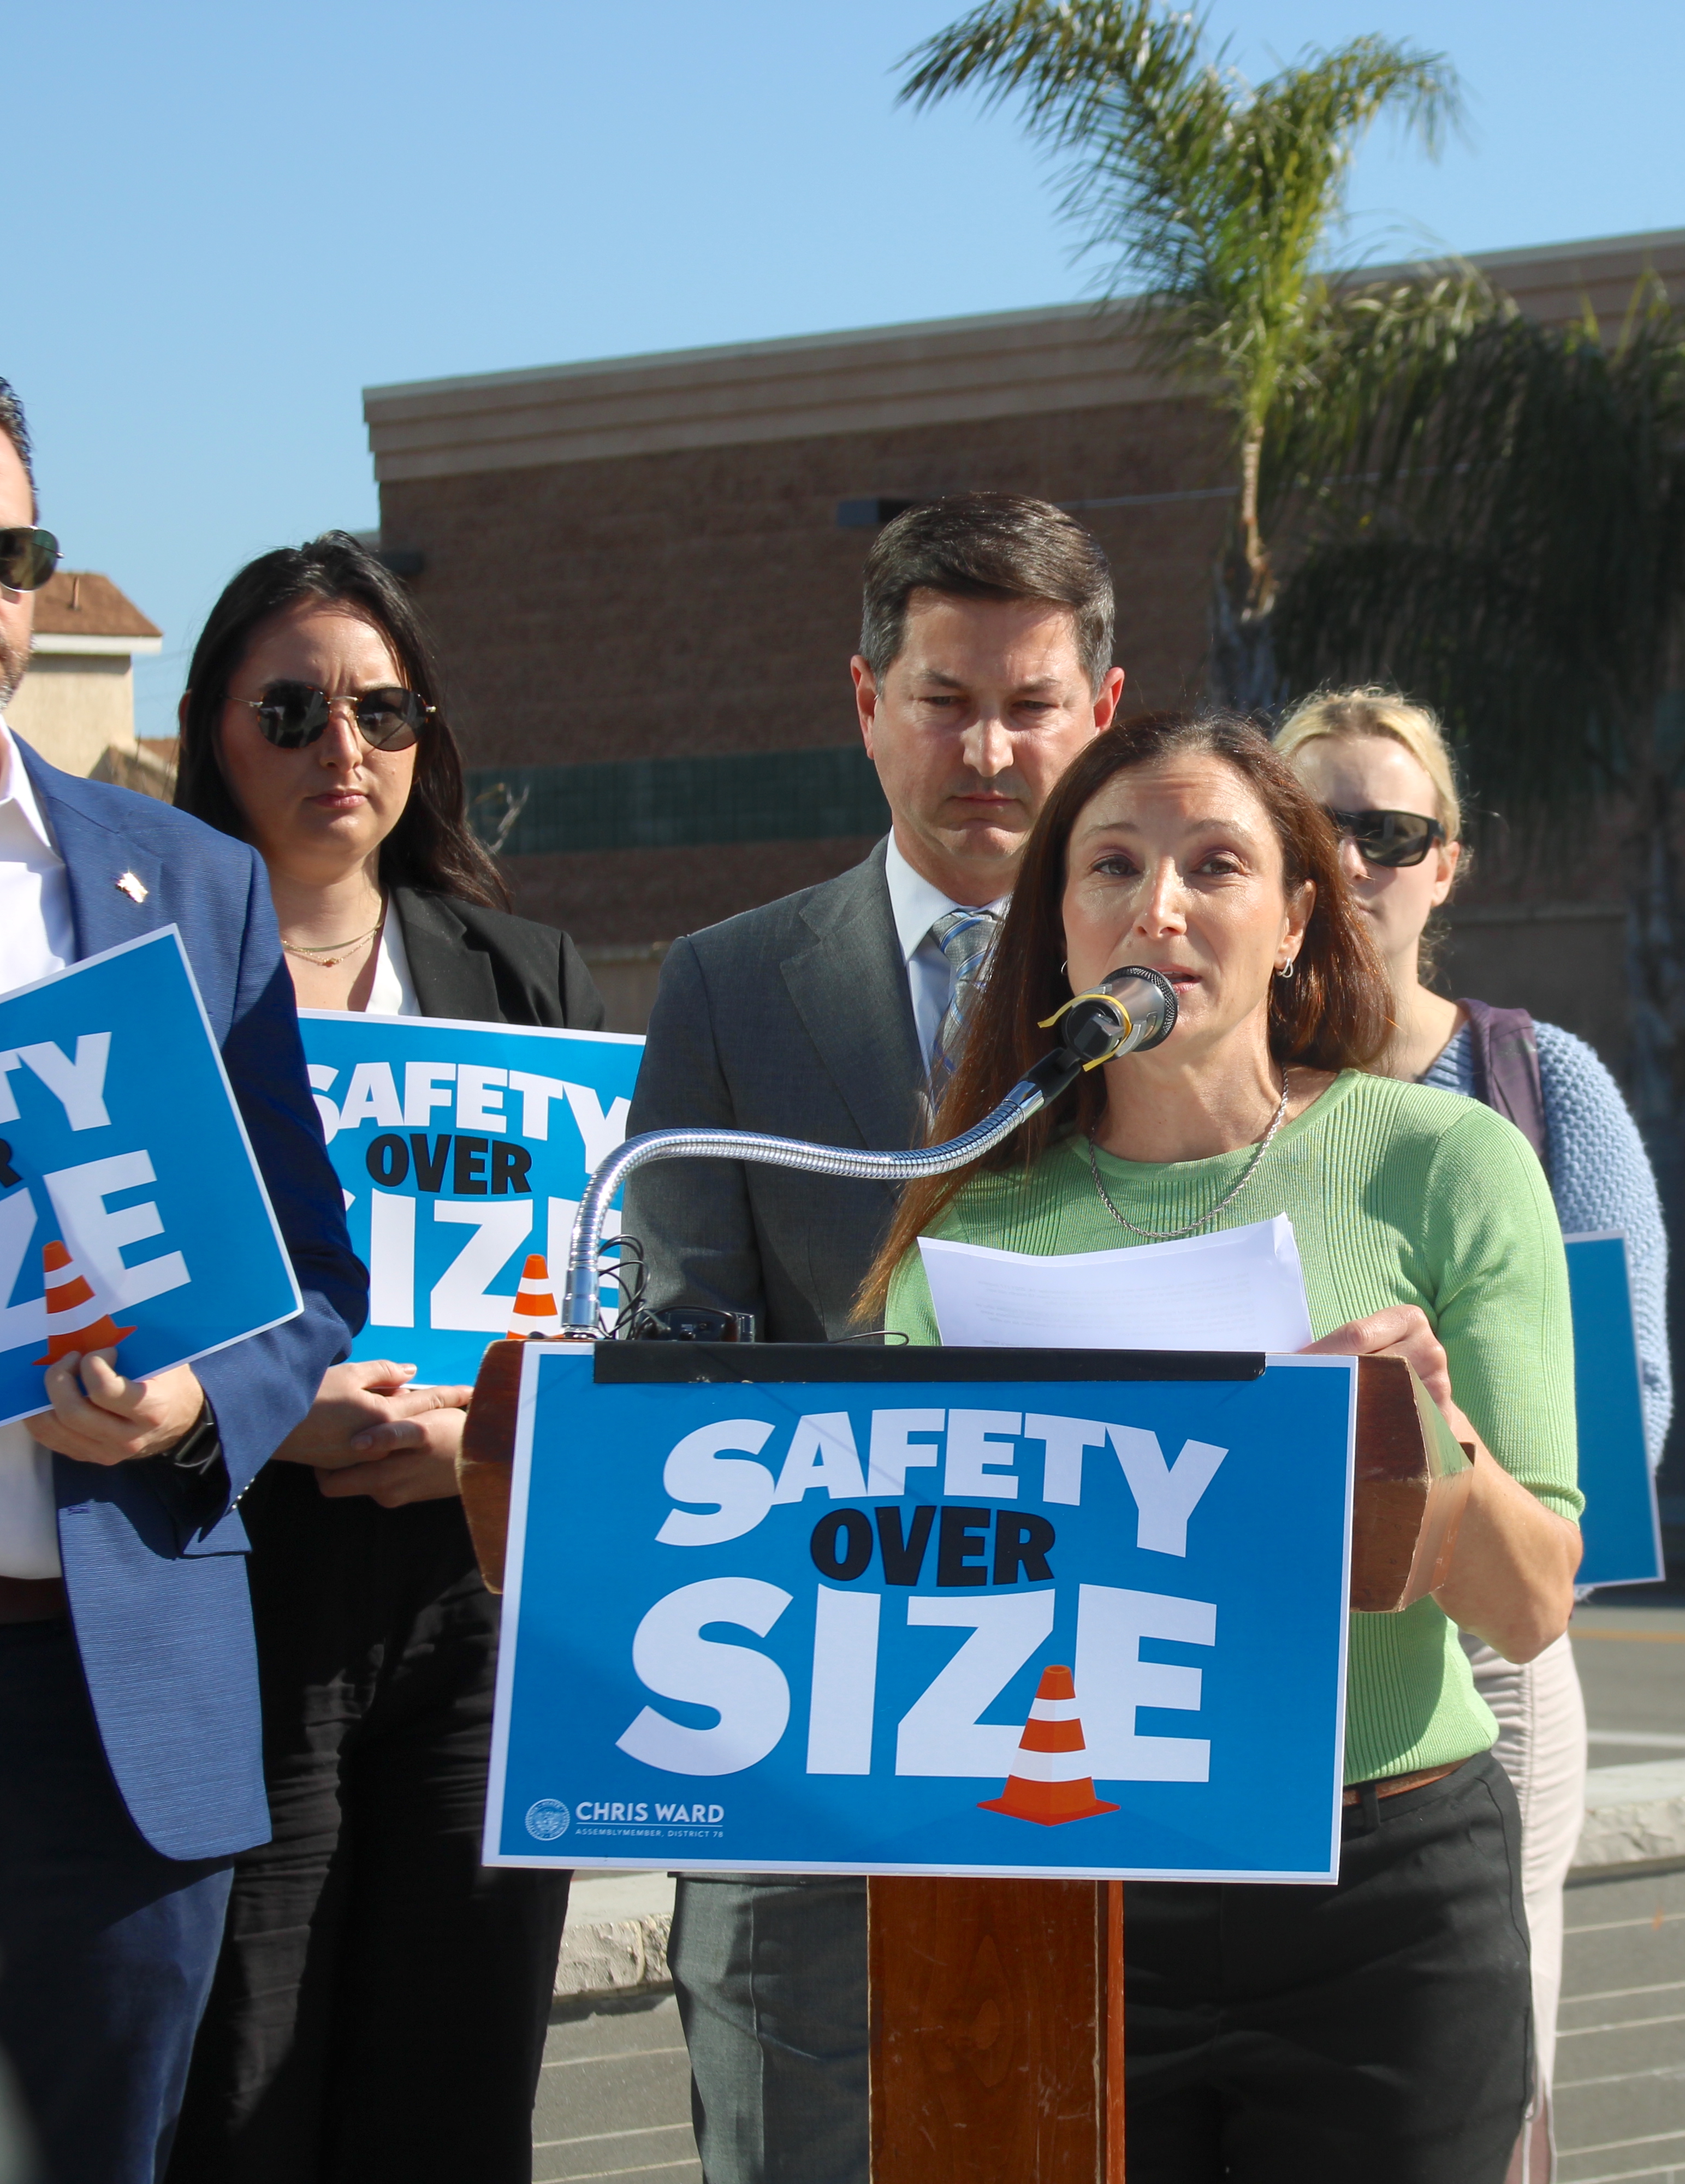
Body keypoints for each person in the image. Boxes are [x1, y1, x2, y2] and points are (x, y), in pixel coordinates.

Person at [0, 361, 364, 2184]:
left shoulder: (188, 885)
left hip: (110, 1725)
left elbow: (305, 1278)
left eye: (13, 543)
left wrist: (194, 1402)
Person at [869, 707, 1583, 2183]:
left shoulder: (1443, 1164)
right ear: (1056, 927)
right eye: (1112, 869)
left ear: (1298, 917)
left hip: (1378, 1896)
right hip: (1070, 1885)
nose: (1161, 909)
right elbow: (913, 1615)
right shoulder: (973, 1229)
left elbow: (1530, 1602)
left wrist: (1424, 1433)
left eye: (1216, 866)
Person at [623, 489, 1123, 2182]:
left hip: (1105, 1755)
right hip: (803, 1774)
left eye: (1030, 702)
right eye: (943, 698)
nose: (989, 747)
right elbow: (676, 1352)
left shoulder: (1193, 1005)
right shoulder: (724, 986)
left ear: (1099, 714)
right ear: (865, 703)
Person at [163, 533, 603, 2183]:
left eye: (382, 708)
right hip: (229, 1583)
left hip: (473, 1596)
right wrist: (262, 1417)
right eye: (292, 710)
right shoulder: (132, 975)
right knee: (243, 2084)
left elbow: (603, 1293)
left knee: (458, 2088)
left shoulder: (528, 977)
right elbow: (82, 1284)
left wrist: (489, 1429)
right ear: (214, 726)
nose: (340, 749)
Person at [1274, 686, 1669, 2179]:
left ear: (1450, 866)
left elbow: (1627, 1399)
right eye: (1323, 826)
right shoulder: (1192, 1094)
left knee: (1478, 2087)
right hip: (1244, 1646)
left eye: (1396, 830)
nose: (1360, 858)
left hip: (1487, 1663)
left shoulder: (1537, 1085)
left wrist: (1440, 1456)